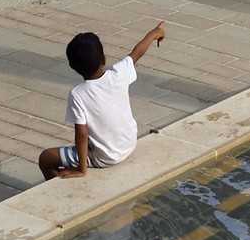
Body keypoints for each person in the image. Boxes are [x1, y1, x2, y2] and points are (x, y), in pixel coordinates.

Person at [39, 22, 167, 179]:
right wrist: (155, 33)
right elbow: (137, 52)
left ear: (73, 66)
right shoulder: (118, 73)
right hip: (128, 144)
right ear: (104, 59)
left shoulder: (78, 94)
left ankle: (59, 183)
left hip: (105, 157)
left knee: (46, 158)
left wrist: (81, 169)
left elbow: (82, 133)